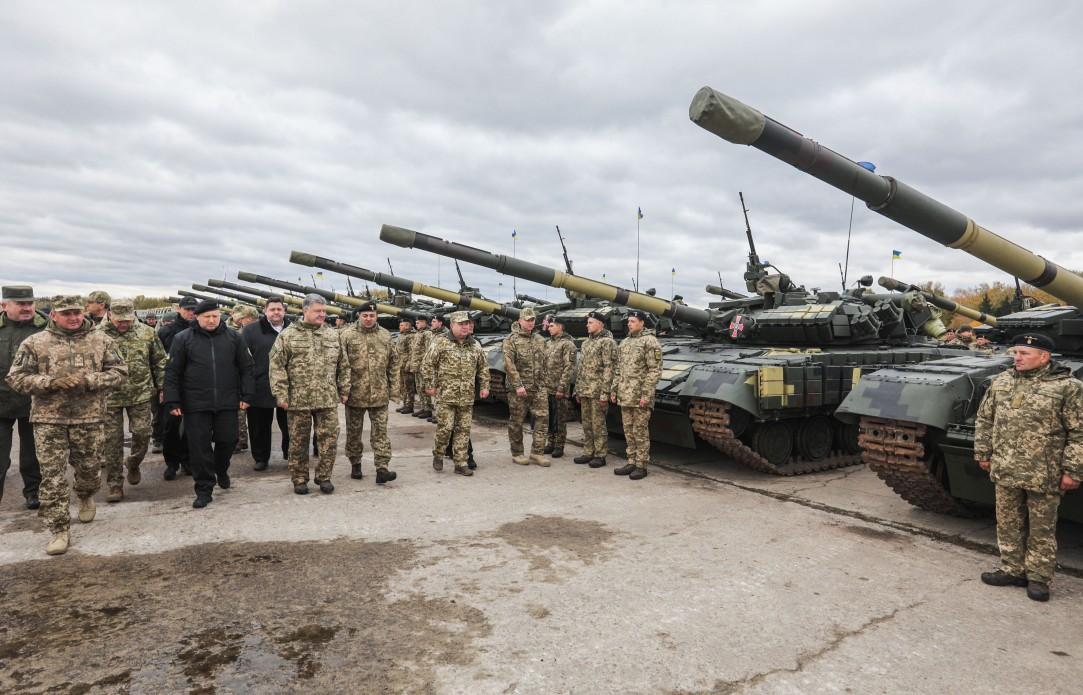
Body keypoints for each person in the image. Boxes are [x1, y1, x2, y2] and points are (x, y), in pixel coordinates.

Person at [6, 295, 127, 555]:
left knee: (89, 468)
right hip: (49, 419)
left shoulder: (101, 340)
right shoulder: (35, 342)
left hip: (89, 417)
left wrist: (91, 380)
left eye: (76, 313)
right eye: (66, 313)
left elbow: (119, 372)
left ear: (83, 312)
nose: (73, 318)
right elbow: (16, 378)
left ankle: (85, 493)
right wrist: (47, 383)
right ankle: (59, 529)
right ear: (54, 315)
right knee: (51, 476)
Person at [975, 333, 1083, 601]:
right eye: (1016, 353)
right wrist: (983, 452)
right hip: (1006, 467)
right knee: (1008, 522)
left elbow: (1079, 432)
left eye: (1024, 354)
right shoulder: (1001, 382)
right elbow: (985, 419)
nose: (1017, 358)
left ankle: (1038, 578)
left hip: (1044, 472)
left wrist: (1073, 470)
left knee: (1042, 529)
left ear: (1044, 357)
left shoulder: (1067, 387)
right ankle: (1012, 568)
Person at [163, 300, 254, 509]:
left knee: (228, 440)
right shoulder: (182, 339)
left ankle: (220, 469)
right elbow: (172, 372)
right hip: (195, 403)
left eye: (215, 316)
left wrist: (247, 394)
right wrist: (172, 400)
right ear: (197, 317)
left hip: (227, 400)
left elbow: (246, 367)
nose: (212, 320)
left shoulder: (233, 338)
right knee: (199, 447)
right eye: (207, 317)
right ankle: (204, 488)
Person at [269, 294, 349, 495]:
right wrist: (281, 395)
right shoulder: (288, 335)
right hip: (298, 400)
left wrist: (344, 389)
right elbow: (277, 366)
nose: (322, 314)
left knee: (329, 440)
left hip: (327, 398)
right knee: (298, 442)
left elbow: (343, 365)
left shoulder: (332, 335)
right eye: (317, 311)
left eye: (324, 311)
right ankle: (299, 478)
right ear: (305, 311)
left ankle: (324, 477)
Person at [97, 298, 167, 502]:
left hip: (141, 394)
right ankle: (115, 484)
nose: (123, 323)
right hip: (109, 397)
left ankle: (134, 462)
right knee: (111, 442)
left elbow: (160, 361)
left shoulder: (147, 332)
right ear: (110, 314)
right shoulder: (96, 335)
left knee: (143, 435)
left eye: (127, 319)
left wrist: (162, 386)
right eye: (119, 320)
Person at [340, 302, 398, 484]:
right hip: (355, 394)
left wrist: (394, 389)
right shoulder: (347, 335)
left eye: (372, 316)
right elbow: (341, 365)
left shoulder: (385, 335)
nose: (368, 319)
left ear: (377, 316)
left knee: (380, 434)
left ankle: (382, 468)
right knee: (354, 433)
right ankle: (355, 463)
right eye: (365, 315)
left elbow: (394, 363)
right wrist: (343, 389)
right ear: (359, 315)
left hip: (380, 394)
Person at [426, 311, 490, 476]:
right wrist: (430, 385)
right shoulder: (440, 342)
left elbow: (483, 368)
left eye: (467, 324)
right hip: (445, 395)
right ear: (452, 325)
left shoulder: (475, 345)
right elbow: (428, 364)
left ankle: (460, 462)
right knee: (445, 429)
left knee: (464, 430)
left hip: (466, 396)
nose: (465, 327)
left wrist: (485, 386)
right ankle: (438, 454)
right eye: (461, 324)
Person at [0, 285, 46, 509]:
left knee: (33, 454)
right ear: (4, 305)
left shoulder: (45, 328)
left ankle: (33, 492)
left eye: (30, 303)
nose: (27, 308)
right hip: (1, 403)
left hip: (34, 402)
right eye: (21, 304)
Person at [241, 296, 291, 471]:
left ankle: (290, 453)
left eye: (279, 309)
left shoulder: (293, 329)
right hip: (260, 385)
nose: (276, 312)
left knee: (291, 424)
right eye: (272, 309)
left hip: (289, 386)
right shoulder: (251, 331)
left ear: (284, 311)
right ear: (265, 311)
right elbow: (243, 360)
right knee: (259, 426)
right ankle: (261, 457)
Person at [611, 310, 662, 480]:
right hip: (625, 395)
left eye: (633, 321)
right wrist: (614, 389)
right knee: (628, 431)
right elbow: (619, 369)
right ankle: (631, 461)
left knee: (640, 432)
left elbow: (654, 371)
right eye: (628, 321)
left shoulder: (650, 342)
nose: (629, 324)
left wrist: (646, 395)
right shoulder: (625, 342)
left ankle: (641, 465)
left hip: (640, 396)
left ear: (642, 323)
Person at [157, 296, 198, 479]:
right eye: (187, 309)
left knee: (193, 427)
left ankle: (188, 461)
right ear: (179, 309)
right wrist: (161, 388)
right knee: (171, 427)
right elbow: (159, 361)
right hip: (172, 384)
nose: (191, 312)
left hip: (194, 386)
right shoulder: (167, 331)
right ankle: (171, 463)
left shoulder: (201, 329)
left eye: (193, 309)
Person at [502, 307, 548, 466]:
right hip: (519, 389)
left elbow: (545, 363)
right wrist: (518, 385)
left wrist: (545, 382)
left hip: (538, 387)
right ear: (520, 321)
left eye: (532, 320)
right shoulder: (511, 340)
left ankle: (537, 452)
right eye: (527, 320)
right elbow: (509, 364)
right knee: (517, 421)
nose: (530, 323)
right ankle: (517, 453)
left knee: (542, 419)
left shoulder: (540, 340)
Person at [573, 311, 617, 468]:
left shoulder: (607, 343)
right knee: (586, 423)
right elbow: (581, 368)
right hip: (585, 390)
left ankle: (600, 454)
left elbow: (609, 369)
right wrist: (577, 389)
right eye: (587, 322)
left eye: (590, 322)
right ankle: (588, 451)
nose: (587, 325)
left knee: (598, 424)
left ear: (600, 324)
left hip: (598, 391)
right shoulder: (586, 343)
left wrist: (605, 393)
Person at [542, 314, 577, 459]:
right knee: (550, 417)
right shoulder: (548, 343)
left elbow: (569, 368)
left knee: (560, 418)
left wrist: (562, 388)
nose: (549, 328)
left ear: (560, 327)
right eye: (548, 326)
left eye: (552, 326)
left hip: (558, 389)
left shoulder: (567, 344)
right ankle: (550, 442)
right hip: (547, 387)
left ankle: (559, 445)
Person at [228, 305, 260, 453]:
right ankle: (239, 440)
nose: (241, 320)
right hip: (239, 377)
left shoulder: (251, 332)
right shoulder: (234, 332)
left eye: (245, 318)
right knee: (239, 411)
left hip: (254, 377)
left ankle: (242, 440)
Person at [410, 314, 434, 419]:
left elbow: (428, 350)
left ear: (424, 322)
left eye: (418, 322)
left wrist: (425, 365)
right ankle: (424, 407)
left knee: (425, 387)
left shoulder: (427, 333)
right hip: (417, 365)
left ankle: (428, 409)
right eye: (416, 323)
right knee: (419, 388)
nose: (416, 324)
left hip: (423, 365)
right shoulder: (419, 333)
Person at [395, 317, 418, 414]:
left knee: (409, 386)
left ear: (407, 326)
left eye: (402, 325)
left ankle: (409, 405)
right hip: (400, 364)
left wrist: (409, 365)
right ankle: (405, 404)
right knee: (402, 386)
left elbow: (412, 352)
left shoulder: (411, 336)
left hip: (406, 365)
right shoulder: (401, 336)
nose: (399, 327)